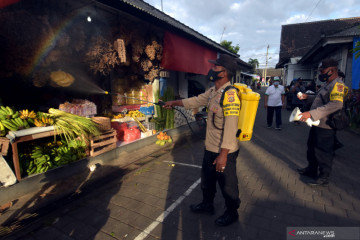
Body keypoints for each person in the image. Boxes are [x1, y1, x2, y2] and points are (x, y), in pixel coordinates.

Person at [163, 54, 241, 226]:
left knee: (228, 185)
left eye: (215, 67)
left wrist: (224, 155)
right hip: (210, 147)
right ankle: (207, 205)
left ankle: (232, 212)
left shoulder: (230, 95)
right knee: (207, 180)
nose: (211, 70)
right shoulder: (213, 92)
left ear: (224, 72)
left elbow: (231, 126)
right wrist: (173, 103)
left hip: (224, 150)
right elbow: (195, 101)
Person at [296, 58, 345, 186]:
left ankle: (323, 177)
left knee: (323, 152)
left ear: (331, 70)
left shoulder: (338, 85)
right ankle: (311, 170)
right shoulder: (327, 84)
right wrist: (307, 97)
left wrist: (311, 114)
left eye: (322, 70)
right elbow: (321, 100)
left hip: (326, 125)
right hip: (317, 123)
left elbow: (336, 105)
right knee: (311, 148)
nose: (320, 73)